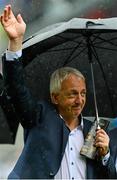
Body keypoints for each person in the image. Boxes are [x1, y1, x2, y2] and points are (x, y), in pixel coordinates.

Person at [0, 5, 116, 179]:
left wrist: (106, 155)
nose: (79, 100)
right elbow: (16, 90)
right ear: (55, 97)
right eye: (72, 94)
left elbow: (108, 177)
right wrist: (15, 43)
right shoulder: (39, 117)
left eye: (83, 93)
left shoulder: (95, 132)